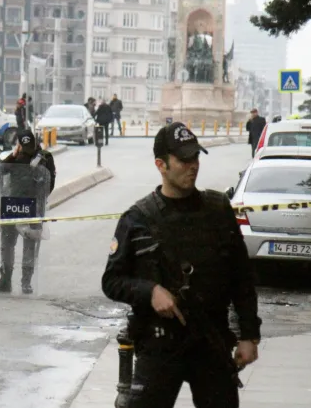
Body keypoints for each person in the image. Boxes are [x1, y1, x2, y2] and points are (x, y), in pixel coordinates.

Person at [101, 122, 261, 408]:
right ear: (161, 165)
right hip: (159, 345)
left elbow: (241, 277)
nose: (193, 166)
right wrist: (150, 291)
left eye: (195, 157)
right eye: (184, 159)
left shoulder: (218, 210)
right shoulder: (138, 219)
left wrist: (249, 335)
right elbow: (112, 281)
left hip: (211, 341)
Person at [0, 130, 56, 294]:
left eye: (29, 146)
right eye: (23, 146)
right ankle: (5, 279)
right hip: (12, 205)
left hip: (33, 207)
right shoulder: (15, 158)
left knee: (30, 245)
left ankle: (26, 282)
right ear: (19, 145)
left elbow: (49, 183)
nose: (27, 150)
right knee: (7, 244)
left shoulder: (44, 158)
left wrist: (38, 198)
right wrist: (13, 155)